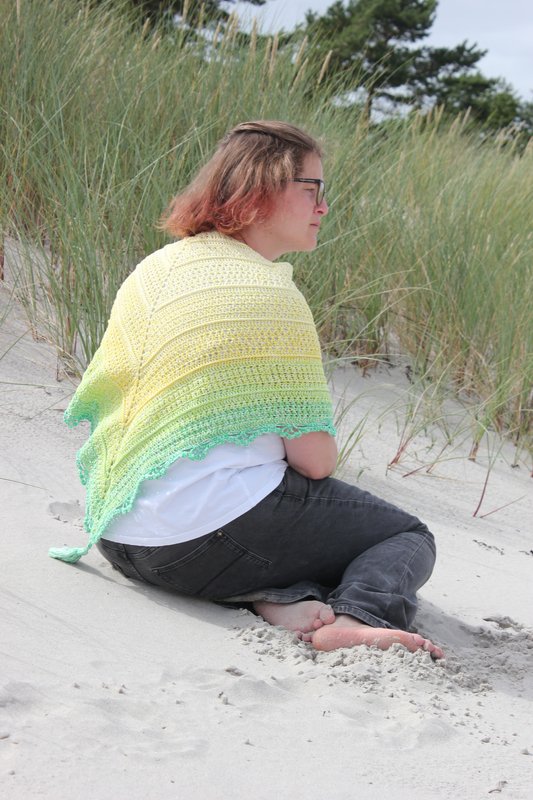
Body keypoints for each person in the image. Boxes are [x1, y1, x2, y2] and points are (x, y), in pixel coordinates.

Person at [50, 120, 444, 659]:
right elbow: (315, 463)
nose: (324, 206)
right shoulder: (270, 293)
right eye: (312, 189)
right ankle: (357, 617)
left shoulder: (155, 270)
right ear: (261, 189)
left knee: (282, 516)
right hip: (206, 542)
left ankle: (274, 597)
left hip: (123, 538)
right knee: (405, 536)